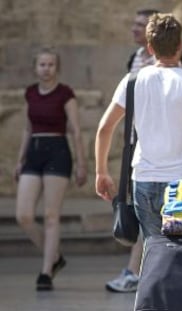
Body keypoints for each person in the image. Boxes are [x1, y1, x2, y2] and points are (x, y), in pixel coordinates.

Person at [95, 11, 182, 238]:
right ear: (179, 45)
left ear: (150, 48)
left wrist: (101, 171)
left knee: (154, 250)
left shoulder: (132, 81)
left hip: (144, 179)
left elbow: (105, 128)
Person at [14, 47, 87, 291]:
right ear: (35, 67)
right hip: (34, 151)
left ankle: (46, 271)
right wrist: (20, 159)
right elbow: (27, 127)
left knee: (50, 215)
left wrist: (82, 163)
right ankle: (54, 255)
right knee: (23, 215)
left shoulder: (66, 94)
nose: (46, 69)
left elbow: (75, 130)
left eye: (51, 64)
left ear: (57, 68)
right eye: (42, 64)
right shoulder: (31, 93)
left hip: (58, 150)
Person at [104, 8, 158, 294]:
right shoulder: (136, 59)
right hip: (136, 142)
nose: (134, 29)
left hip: (155, 145)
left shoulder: (162, 63)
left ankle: (135, 271)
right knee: (138, 206)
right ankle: (139, 270)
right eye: (134, 23)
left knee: (144, 207)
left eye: (141, 25)